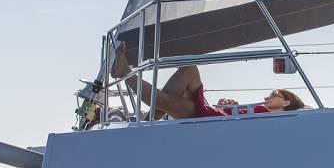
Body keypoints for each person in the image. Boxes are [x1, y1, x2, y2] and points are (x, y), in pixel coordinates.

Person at [109, 42, 305, 119]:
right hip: (214, 115)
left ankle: (125, 72)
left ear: (286, 103)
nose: (267, 97)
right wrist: (228, 105)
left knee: (168, 101)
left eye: (274, 95)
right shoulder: (263, 112)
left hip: (210, 120)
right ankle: (151, 117)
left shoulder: (278, 120)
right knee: (189, 68)